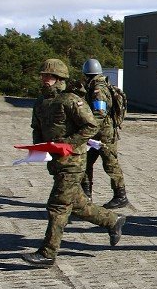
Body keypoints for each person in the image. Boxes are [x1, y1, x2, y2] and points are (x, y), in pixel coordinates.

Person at [21, 59, 126, 267]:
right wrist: (40, 147)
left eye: (48, 76)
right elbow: (37, 127)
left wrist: (68, 144)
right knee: (78, 204)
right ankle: (112, 221)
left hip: (74, 161)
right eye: (43, 76)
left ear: (59, 79)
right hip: (56, 161)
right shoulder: (41, 102)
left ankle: (47, 253)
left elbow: (90, 125)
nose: (44, 80)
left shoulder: (71, 100)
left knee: (57, 205)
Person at [80, 58, 130, 209]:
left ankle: (120, 196)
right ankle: (85, 195)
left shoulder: (98, 89)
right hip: (97, 134)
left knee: (110, 164)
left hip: (103, 135)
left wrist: (87, 129)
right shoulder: (97, 85)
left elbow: (100, 113)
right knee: (85, 163)